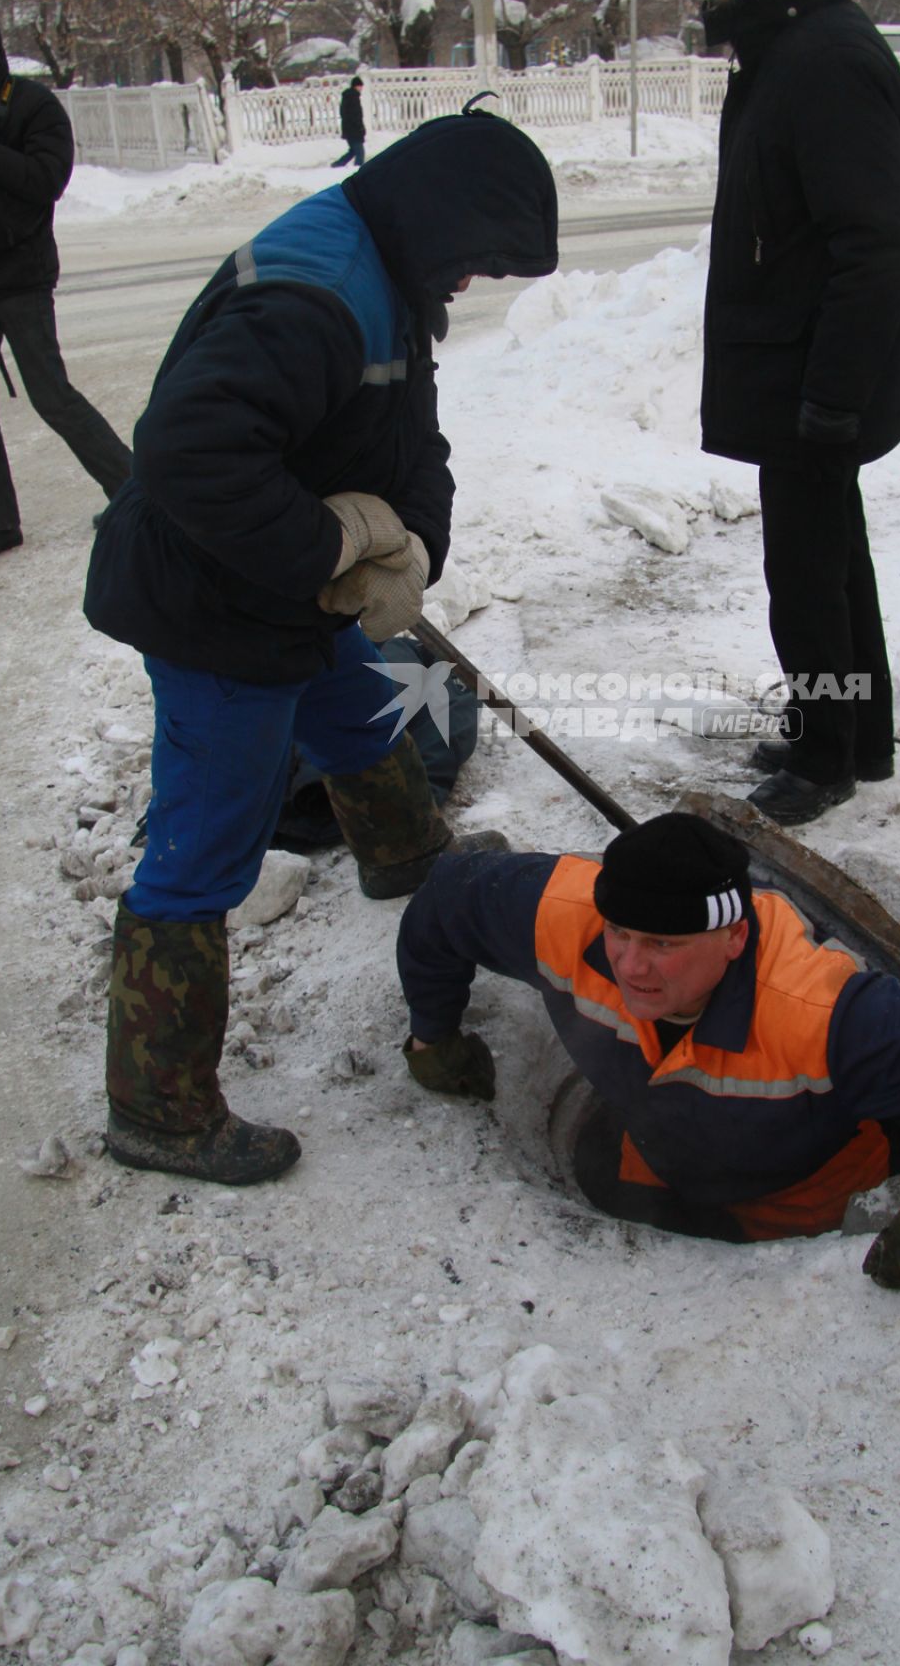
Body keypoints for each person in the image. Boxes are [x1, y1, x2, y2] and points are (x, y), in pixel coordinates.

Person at [84, 103, 558, 1187]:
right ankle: (158, 1107)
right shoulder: (318, 295)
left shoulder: (389, 267)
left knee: (354, 709)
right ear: (440, 221)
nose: (471, 284)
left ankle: (404, 856)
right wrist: (326, 548)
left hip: (284, 596)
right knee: (205, 846)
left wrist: (414, 546)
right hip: (214, 608)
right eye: (475, 261)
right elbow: (192, 453)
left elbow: (411, 434)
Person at [396, 813, 900, 1286]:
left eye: (664, 945)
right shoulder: (563, 918)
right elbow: (445, 900)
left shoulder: (818, 1009)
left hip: (801, 1203)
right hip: (651, 1168)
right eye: (621, 933)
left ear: (735, 939)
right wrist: (435, 1036)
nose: (631, 965)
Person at [678, 0, 900, 825]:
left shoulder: (825, 60)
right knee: (826, 561)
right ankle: (853, 734)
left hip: (811, 381)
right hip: (797, 371)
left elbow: (877, 250)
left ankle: (828, 754)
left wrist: (831, 393)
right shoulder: (789, 51)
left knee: (808, 576)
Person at [0, 2, 132, 565]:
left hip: (22, 277)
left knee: (51, 395)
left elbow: (45, 180)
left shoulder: (33, 106)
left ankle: (133, 488)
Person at [331, 76, 366, 169]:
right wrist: (360, 127)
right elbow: (356, 115)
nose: (361, 88)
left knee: (353, 151)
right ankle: (359, 170)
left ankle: (337, 165)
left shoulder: (348, 96)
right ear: (356, 86)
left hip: (348, 128)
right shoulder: (353, 97)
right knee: (359, 152)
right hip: (354, 129)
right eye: (360, 86)